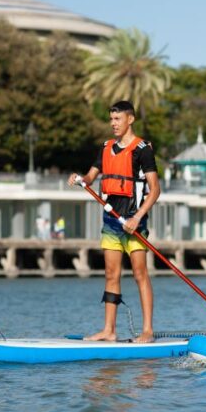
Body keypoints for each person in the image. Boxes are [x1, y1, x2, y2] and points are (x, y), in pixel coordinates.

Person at [68, 100, 161, 343]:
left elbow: (155, 190)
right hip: (111, 220)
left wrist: (137, 217)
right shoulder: (106, 147)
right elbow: (91, 175)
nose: (113, 124)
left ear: (130, 119)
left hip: (134, 223)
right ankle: (109, 330)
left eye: (117, 119)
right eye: (111, 119)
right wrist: (81, 179)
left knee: (140, 273)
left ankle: (148, 331)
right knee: (111, 274)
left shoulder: (143, 150)